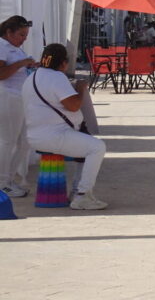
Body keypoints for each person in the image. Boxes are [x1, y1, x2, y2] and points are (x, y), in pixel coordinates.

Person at [23, 43, 107, 210]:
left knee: (87, 144)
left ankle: (77, 191)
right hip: (54, 135)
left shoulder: (32, 77)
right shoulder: (56, 77)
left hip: (36, 135)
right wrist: (81, 89)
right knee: (97, 147)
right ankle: (83, 196)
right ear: (63, 63)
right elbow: (74, 105)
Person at [0, 15, 36, 199]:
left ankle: (8, 179)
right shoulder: (1, 46)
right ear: (9, 32)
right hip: (7, 97)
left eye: (26, 34)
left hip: (20, 97)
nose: (24, 38)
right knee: (7, 141)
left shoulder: (15, 48)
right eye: (21, 34)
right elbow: (1, 74)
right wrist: (21, 63)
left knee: (25, 142)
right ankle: (2, 183)